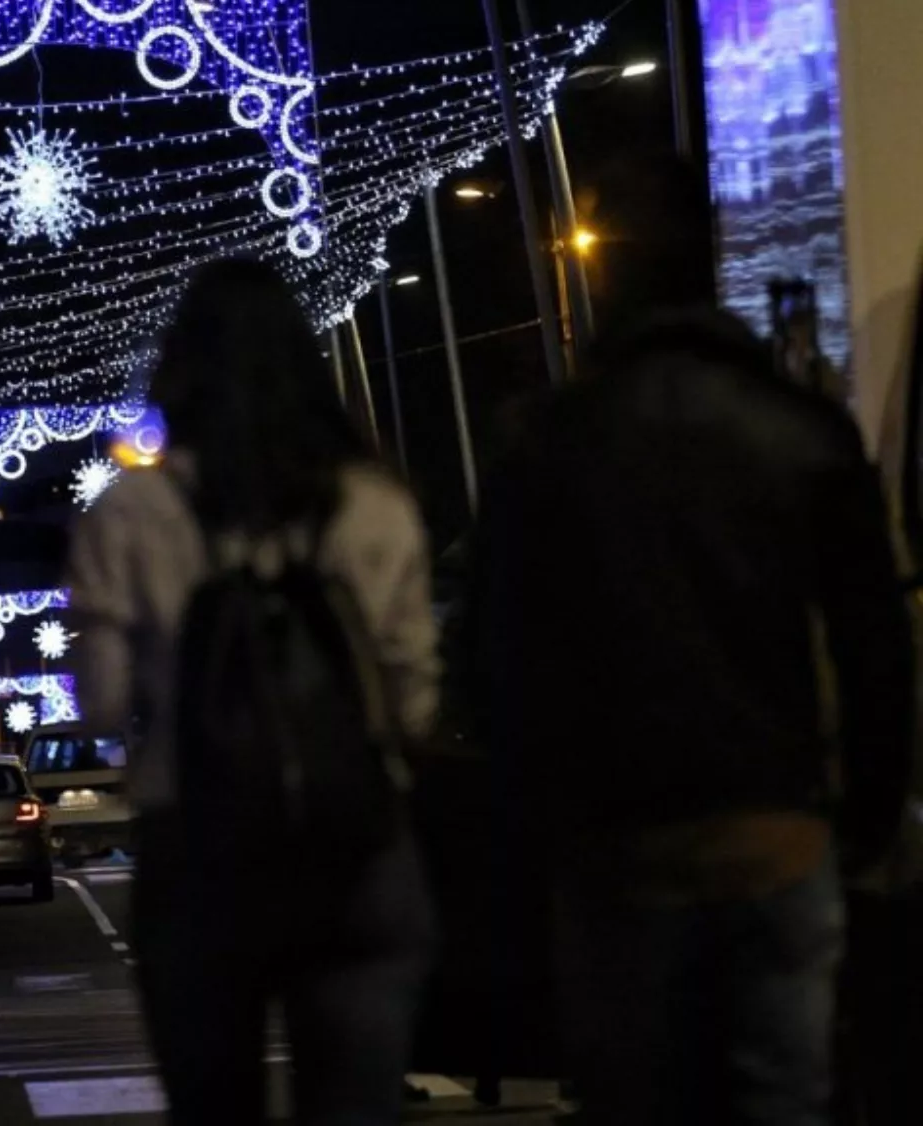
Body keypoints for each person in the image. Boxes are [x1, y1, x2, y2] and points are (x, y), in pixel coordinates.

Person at [467, 159, 916, 1125]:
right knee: (785, 1093)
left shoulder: (546, 443)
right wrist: (865, 826)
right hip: (776, 827)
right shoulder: (797, 429)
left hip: (617, 841)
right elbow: (874, 646)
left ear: (602, 277)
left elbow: (498, 664)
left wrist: (527, 841)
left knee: (637, 1095)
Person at [65, 257, 441, 1125]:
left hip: (197, 839)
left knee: (213, 1103)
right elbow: (413, 694)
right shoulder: (373, 504)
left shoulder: (131, 514)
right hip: (353, 840)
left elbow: (98, 697)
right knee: (354, 1101)